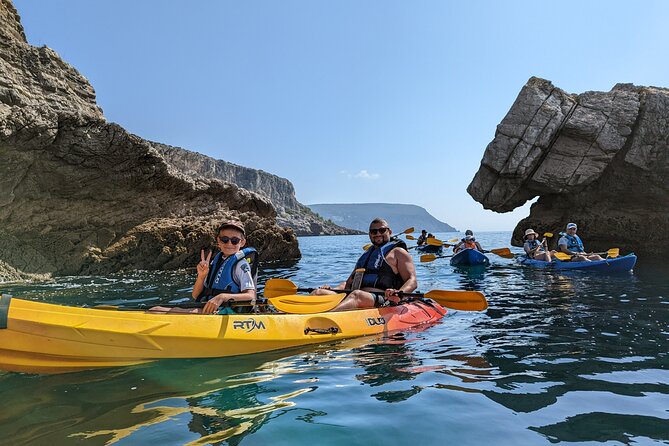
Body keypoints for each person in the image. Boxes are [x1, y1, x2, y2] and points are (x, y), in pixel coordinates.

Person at [150, 220, 257, 314]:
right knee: (155, 310)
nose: (229, 243)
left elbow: (250, 296)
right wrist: (201, 276)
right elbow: (196, 296)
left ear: (242, 242)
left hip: (227, 311)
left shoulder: (241, 265)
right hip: (211, 309)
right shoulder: (216, 262)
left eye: (234, 240)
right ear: (218, 241)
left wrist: (222, 297)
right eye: (224, 239)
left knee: (158, 311)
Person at [312, 218, 417, 311]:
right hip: (356, 295)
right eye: (373, 231)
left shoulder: (398, 252)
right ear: (370, 234)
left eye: (382, 230)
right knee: (318, 292)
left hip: (384, 299)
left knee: (357, 295)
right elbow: (349, 283)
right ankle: (299, 315)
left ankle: (324, 317)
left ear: (389, 231)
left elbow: (412, 281)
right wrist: (333, 289)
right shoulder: (365, 256)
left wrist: (399, 293)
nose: (377, 233)